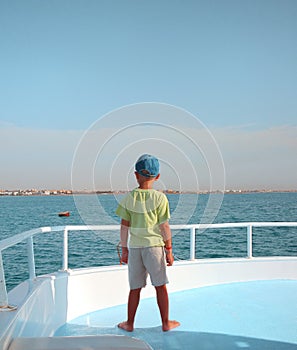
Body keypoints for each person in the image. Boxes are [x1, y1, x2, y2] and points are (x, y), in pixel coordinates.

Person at [116, 154, 180, 332]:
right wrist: (168, 250)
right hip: (154, 248)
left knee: (134, 288)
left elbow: (124, 226)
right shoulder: (160, 198)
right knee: (160, 286)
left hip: (135, 248)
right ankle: (166, 323)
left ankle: (129, 323)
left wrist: (125, 249)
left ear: (136, 175)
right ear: (157, 176)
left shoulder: (129, 198)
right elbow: (164, 227)